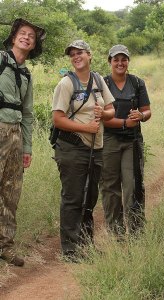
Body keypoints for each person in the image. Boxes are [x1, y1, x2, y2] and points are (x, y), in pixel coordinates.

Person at [52, 40, 115, 260]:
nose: (76, 57)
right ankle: (70, 250)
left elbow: (111, 110)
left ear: (89, 55)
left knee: (90, 196)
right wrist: (85, 127)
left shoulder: (98, 79)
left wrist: (103, 113)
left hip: (96, 148)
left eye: (80, 53)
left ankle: (86, 245)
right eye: (72, 54)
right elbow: (58, 119)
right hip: (72, 147)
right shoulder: (66, 83)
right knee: (73, 197)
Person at [0, 18, 46, 267]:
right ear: (14, 36)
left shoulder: (27, 74)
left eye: (31, 36)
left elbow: (27, 114)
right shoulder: (0, 59)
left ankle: (6, 247)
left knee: (11, 192)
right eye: (23, 33)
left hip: (16, 135)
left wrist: (27, 147)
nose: (27, 37)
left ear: (34, 45)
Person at [102, 44, 151, 236]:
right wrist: (124, 123)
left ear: (128, 61)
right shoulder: (102, 83)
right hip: (108, 140)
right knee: (110, 187)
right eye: (116, 60)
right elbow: (101, 117)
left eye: (124, 59)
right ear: (110, 62)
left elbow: (147, 110)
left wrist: (141, 116)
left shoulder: (137, 83)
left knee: (133, 185)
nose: (120, 63)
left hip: (132, 141)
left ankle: (137, 231)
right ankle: (116, 232)